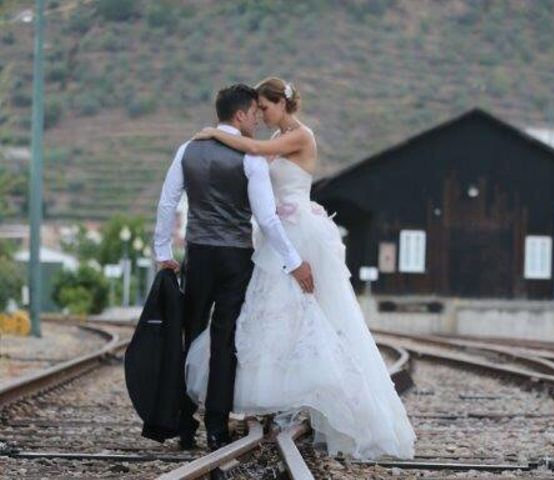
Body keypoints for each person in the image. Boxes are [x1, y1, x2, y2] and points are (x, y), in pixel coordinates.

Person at [187, 77, 416, 459]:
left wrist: (214, 132)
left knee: (308, 314)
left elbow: (255, 148)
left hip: (299, 235)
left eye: (265, 106)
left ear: (282, 104)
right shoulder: (281, 137)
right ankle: (277, 399)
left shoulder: (298, 135)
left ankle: (324, 399)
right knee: (271, 316)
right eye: (256, 108)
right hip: (277, 236)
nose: (260, 113)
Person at [153, 84, 314, 451]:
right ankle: (215, 428)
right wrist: (294, 261)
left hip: (198, 253)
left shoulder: (187, 149)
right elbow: (267, 219)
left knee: (191, 332)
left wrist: (163, 251)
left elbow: (167, 203)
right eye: (253, 114)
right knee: (225, 340)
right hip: (236, 257)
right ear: (240, 115)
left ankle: (183, 424)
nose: (257, 120)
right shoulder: (251, 159)